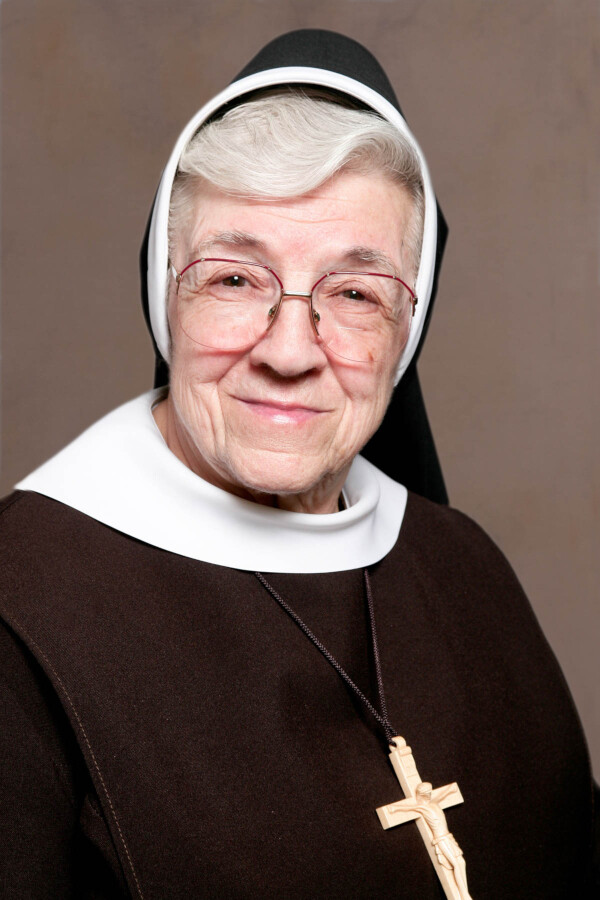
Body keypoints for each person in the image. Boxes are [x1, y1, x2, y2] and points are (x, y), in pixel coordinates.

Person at [0, 29, 597, 899]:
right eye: (235, 279)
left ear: (408, 330)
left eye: (354, 292)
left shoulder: (466, 568)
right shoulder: (22, 603)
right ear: (167, 293)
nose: (288, 351)